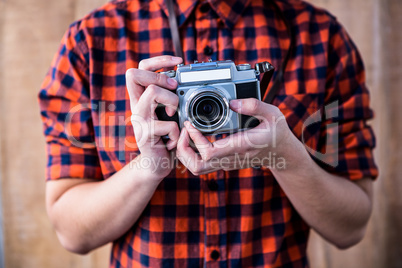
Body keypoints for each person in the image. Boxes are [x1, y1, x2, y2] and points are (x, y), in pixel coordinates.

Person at [38, 0, 378, 266]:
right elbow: (72, 233)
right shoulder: (90, 42)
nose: (207, 109)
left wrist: (285, 155)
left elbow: (351, 227)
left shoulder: (321, 37)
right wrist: (147, 168)